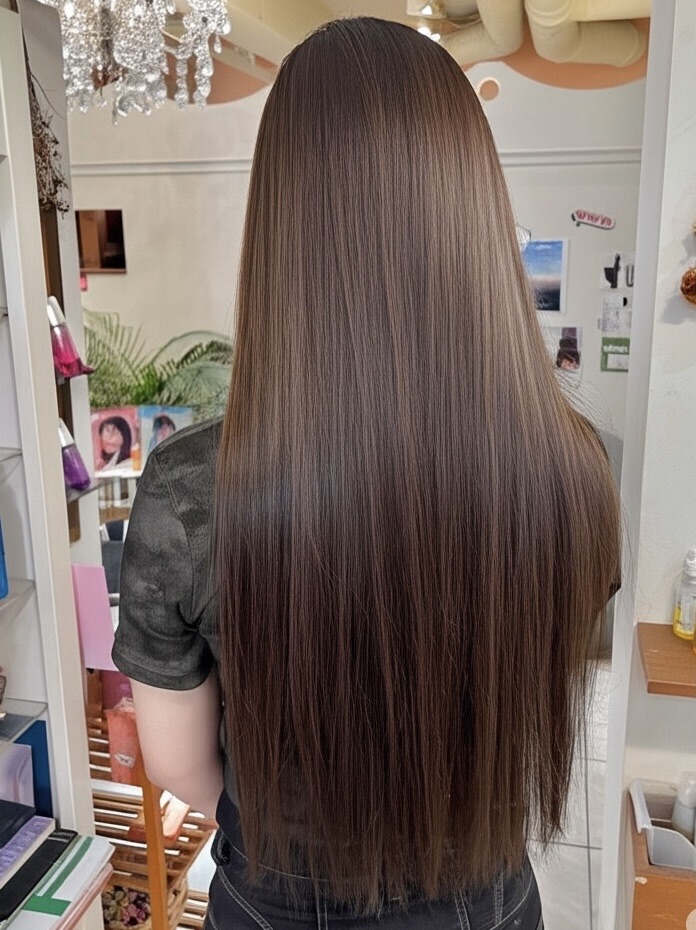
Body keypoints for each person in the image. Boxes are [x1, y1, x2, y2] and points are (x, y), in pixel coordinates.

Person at [113, 17, 621, 930]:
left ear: (281, 221)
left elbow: (179, 766)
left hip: (273, 902)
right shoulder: (570, 471)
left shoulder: (191, 492)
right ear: (472, 209)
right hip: (491, 903)